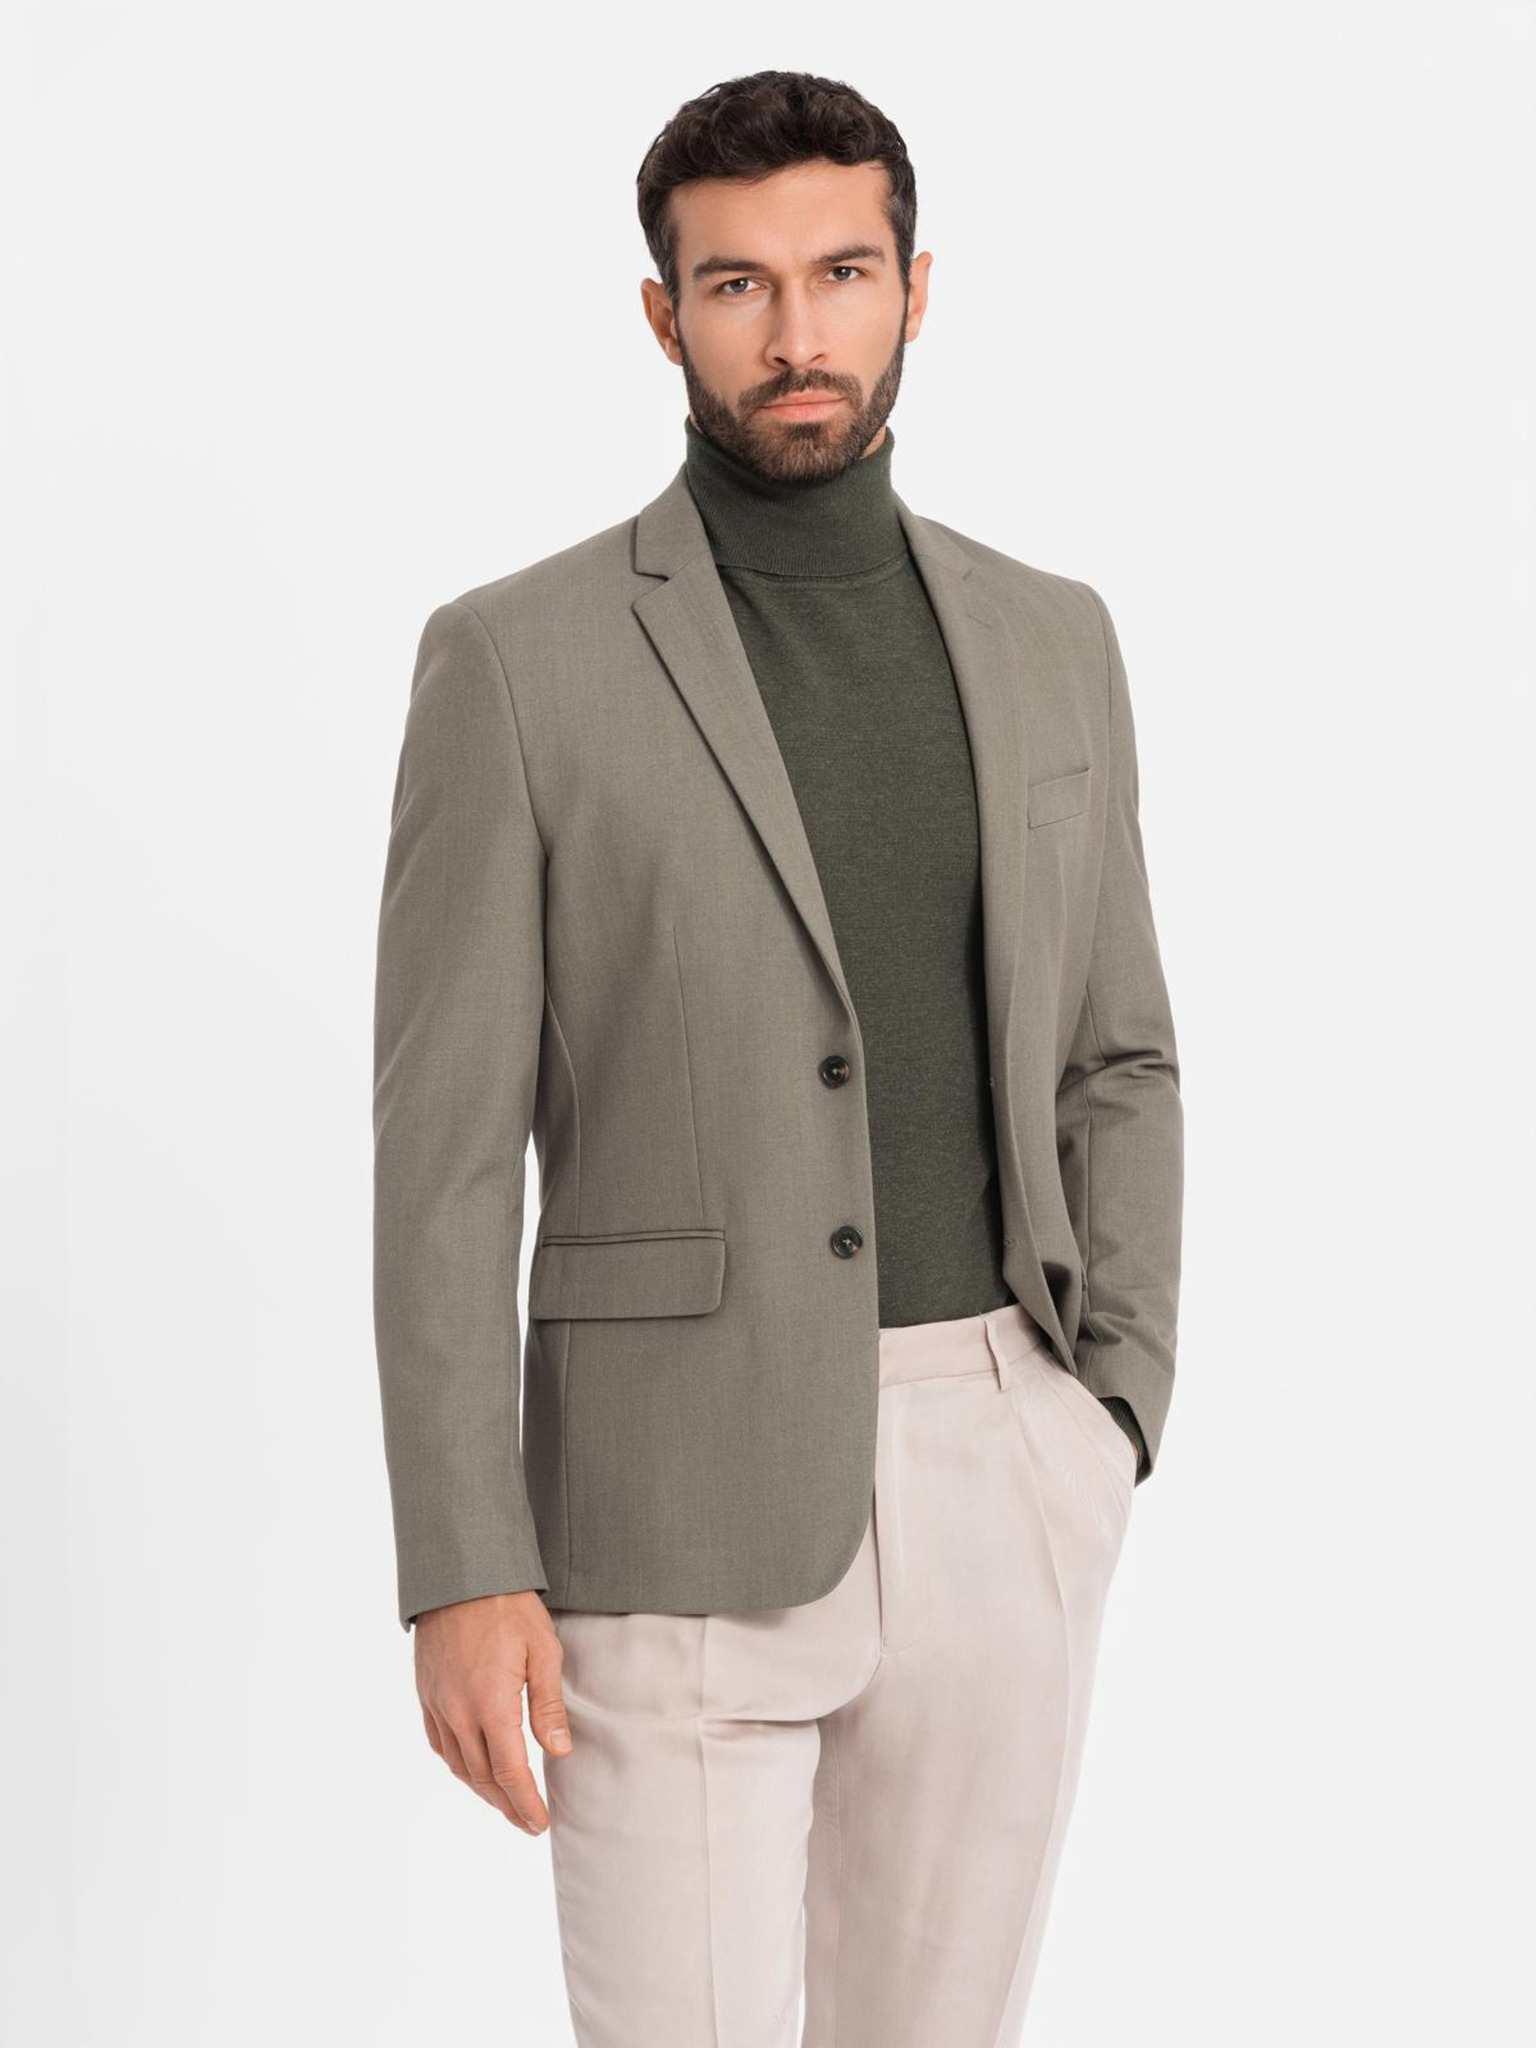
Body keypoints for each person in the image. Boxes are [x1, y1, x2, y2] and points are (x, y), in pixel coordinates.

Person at [372, 67, 1183, 2048]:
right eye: (738, 285)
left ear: (919, 286)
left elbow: (1119, 1053)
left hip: (1000, 1460)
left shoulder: (1053, 637)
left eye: (841, 273)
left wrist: (1110, 1411)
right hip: (667, 1497)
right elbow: (444, 1153)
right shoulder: (517, 659)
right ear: (665, 314)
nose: (797, 332)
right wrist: (462, 1562)